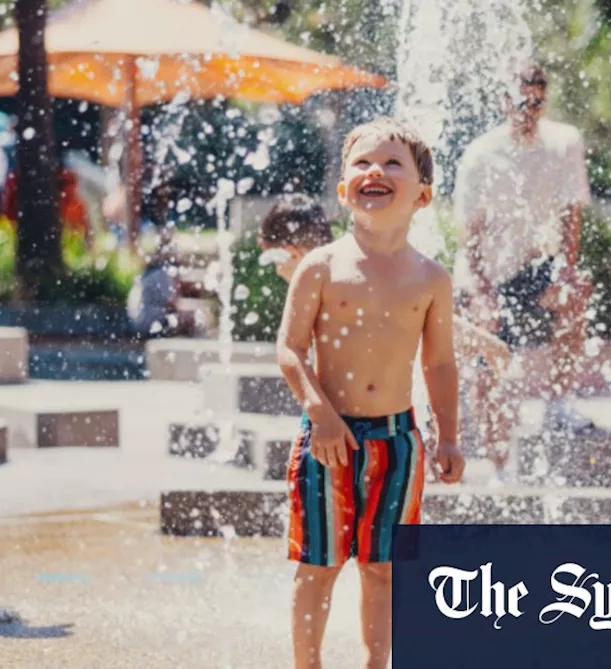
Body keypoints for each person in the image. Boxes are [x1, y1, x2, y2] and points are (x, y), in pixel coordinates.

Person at [276, 118, 464, 669]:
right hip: (327, 441)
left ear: (422, 196)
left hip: (398, 443)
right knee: (318, 565)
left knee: (383, 567)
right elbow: (289, 350)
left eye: (391, 164)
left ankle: (374, 664)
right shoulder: (321, 267)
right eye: (361, 163)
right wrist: (322, 415)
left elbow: (440, 361)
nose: (374, 172)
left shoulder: (431, 279)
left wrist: (448, 436)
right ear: (342, 190)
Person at [259, 194, 512, 480]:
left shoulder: (340, 272)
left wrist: (486, 344)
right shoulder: (331, 273)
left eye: (275, 259)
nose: (278, 271)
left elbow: (428, 317)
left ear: (293, 251)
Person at [453, 60, 595, 479]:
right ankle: (499, 467)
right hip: (486, 270)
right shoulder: (480, 155)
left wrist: (565, 271)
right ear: (503, 102)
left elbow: (571, 214)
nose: (529, 111)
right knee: (487, 365)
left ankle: (560, 403)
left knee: (575, 291)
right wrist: (483, 295)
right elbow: (470, 234)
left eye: (537, 102)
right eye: (521, 101)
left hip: (534, 261)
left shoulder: (565, 141)